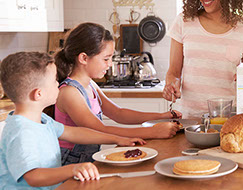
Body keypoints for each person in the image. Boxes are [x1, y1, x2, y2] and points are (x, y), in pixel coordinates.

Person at [0, 52, 145, 190]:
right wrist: (73, 169)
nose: (58, 84)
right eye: (54, 81)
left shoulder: (42, 119)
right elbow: (33, 176)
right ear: (38, 94)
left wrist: (116, 139)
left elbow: (75, 133)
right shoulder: (22, 131)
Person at [54, 22, 181, 165]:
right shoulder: (70, 92)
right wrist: (152, 132)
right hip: (70, 163)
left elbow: (118, 113)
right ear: (83, 58)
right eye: (106, 59)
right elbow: (100, 130)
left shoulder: (90, 84)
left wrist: (162, 117)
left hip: (87, 160)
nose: (109, 64)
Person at [163, 0, 243, 118]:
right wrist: (171, 86)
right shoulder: (184, 21)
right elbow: (174, 71)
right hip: (190, 118)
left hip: (230, 118)